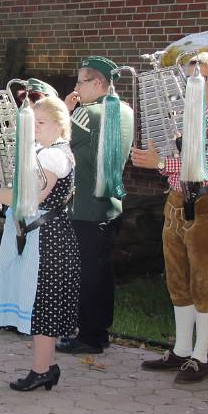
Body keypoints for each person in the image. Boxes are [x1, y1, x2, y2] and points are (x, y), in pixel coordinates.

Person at [133, 52, 208, 384]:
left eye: (200, 78)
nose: (191, 84)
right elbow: (167, 157)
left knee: (202, 279)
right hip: (176, 200)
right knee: (177, 279)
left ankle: (201, 358)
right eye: (188, 78)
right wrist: (156, 158)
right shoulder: (177, 114)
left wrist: (161, 163)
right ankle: (181, 351)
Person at [0, 96, 80, 392]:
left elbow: (31, 198)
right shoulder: (44, 151)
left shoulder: (53, 156)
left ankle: (41, 370)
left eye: (41, 122)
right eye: (32, 122)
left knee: (43, 304)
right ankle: (47, 367)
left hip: (48, 237)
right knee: (41, 303)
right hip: (44, 234)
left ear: (59, 124)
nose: (34, 127)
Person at [56, 58, 134, 355]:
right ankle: (99, 331)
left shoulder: (86, 113)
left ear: (98, 83)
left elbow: (55, 143)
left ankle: (88, 336)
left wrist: (65, 111)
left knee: (86, 275)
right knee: (102, 273)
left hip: (85, 205)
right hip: (110, 203)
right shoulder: (124, 110)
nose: (76, 88)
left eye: (80, 82)